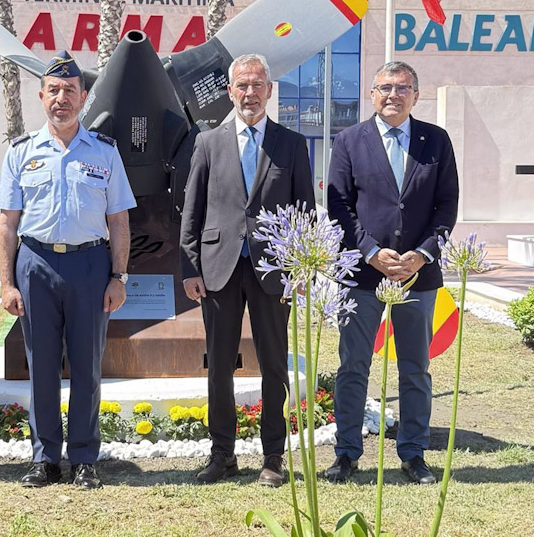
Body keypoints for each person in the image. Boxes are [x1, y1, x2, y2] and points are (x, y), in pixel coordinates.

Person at [0, 50, 135, 491]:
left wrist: (119, 277)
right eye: (53, 90)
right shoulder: (20, 153)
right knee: (41, 367)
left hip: (91, 265)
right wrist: (6, 283)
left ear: (84, 98)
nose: (61, 98)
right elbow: (7, 223)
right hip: (35, 263)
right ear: (41, 96)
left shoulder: (105, 152)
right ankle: (44, 459)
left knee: (87, 365)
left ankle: (84, 458)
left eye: (70, 91)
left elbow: (119, 221)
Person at [179, 53, 315, 487]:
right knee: (219, 365)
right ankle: (223, 455)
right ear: (230, 92)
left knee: (274, 365)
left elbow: (304, 212)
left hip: (274, 271)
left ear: (269, 91)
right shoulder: (208, 143)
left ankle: (273, 457)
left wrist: (300, 267)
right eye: (242, 85)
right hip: (218, 270)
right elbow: (192, 211)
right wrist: (190, 267)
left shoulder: (291, 145)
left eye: (257, 85)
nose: (250, 93)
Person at [325, 60, 458, 486]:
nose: (392, 95)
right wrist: (369, 251)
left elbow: (447, 205)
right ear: (372, 94)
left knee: (415, 367)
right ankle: (346, 453)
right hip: (362, 275)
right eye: (384, 87)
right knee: (353, 366)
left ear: (416, 96)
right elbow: (338, 205)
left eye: (402, 88)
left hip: (417, 275)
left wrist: (421, 254)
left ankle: (414, 453)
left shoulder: (435, 141)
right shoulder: (348, 141)